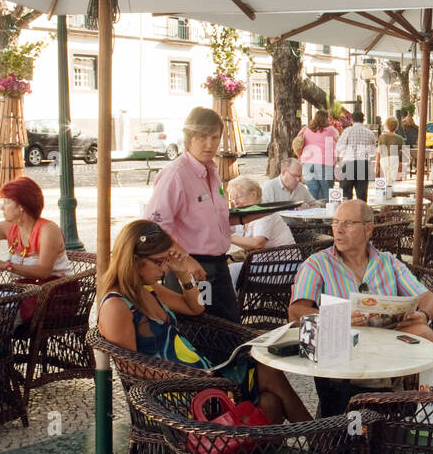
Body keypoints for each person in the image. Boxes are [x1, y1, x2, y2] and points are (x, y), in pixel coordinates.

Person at [99, 220, 309, 424]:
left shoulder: (149, 289)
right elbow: (132, 368)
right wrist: (191, 377)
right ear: (134, 260)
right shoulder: (117, 305)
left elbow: (196, 307)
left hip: (201, 377)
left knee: (269, 402)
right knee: (267, 372)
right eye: (159, 261)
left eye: (166, 260)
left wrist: (183, 275)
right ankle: (321, 441)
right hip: (176, 391)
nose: (164, 268)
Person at [289, 199, 433, 417]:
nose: (338, 230)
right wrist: (337, 318)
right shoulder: (317, 264)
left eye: (348, 223)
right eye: (335, 222)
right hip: (342, 352)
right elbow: (296, 312)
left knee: (423, 332)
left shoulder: (387, 262)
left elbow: (428, 297)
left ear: (368, 229)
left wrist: (422, 315)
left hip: (389, 349)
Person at [146, 106, 238, 321]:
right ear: (189, 137)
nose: (209, 144)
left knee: (229, 328)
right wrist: (185, 261)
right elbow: (154, 229)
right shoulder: (175, 175)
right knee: (199, 327)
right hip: (192, 269)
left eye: (215, 138)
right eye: (202, 137)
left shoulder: (212, 170)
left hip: (218, 265)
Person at [0, 176, 70, 281]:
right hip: (24, 290)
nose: (2, 208)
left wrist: (4, 265)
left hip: (55, 291)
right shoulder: (7, 227)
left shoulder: (48, 230)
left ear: (22, 206)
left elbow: (43, 272)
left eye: (7, 202)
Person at [226, 176, 294, 252]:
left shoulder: (264, 212)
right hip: (257, 257)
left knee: (225, 262)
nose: (235, 202)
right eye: (232, 199)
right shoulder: (243, 211)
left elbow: (258, 243)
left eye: (237, 197)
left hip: (280, 260)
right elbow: (224, 228)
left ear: (253, 194)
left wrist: (229, 237)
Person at [334, 110, 378, 201]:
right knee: (362, 193)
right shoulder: (369, 133)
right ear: (363, 120)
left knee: (346, 192)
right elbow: (373, 151)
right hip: (363, 164)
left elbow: (339, 147)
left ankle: (348, 213)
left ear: (352, 120)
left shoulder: (348, 131)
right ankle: (361, 212)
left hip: (349, 163)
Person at [299, 109, 340, 201]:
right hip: (325, 163)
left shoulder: (306, 129)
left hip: (308, 163)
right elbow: (339, 142)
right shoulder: (331, 130)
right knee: (327, 190)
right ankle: (326, 212)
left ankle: (312, 212)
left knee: (312, 190)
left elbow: (298, 141)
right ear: (326, 118)